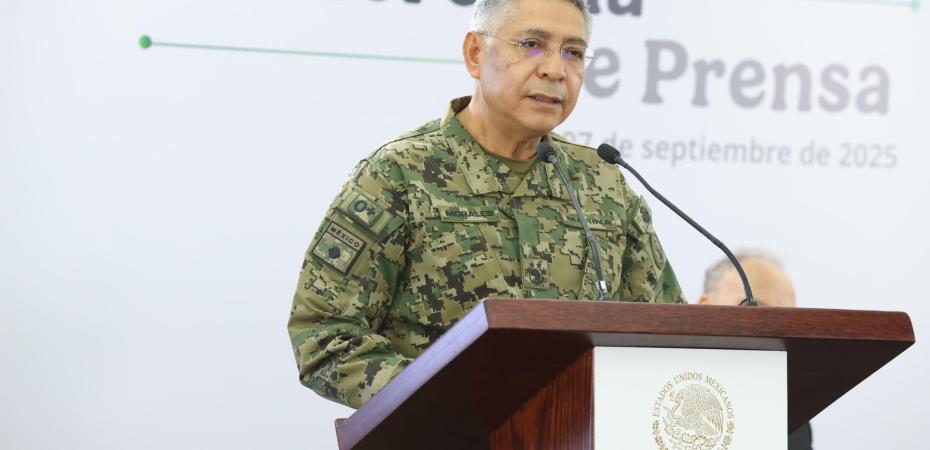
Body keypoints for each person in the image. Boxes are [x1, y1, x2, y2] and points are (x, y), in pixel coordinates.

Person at [287, 0, 684, 409]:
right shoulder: (398, 175)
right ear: (476, 54)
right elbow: (323, 335)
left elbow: (666, 334)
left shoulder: (603, 182)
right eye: (531, 44)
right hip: (444, 430)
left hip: (575, 428)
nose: (555, 70)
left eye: (573, 52)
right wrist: (448, 398)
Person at [698, 251, 814, 450]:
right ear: (705, 307)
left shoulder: (792, 421)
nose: (772, 330)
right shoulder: (666, 393)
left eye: (786, 320)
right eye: (755, 309)